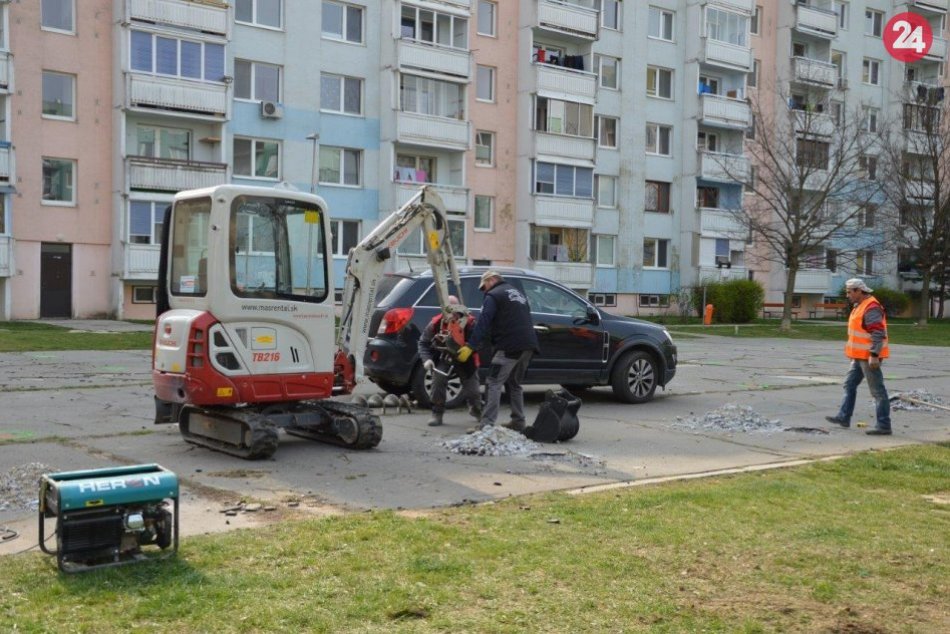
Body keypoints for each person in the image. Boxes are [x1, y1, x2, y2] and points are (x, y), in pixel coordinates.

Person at [457, 271, 540, 433]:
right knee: (514, 384)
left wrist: (471, 346)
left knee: (493, 382)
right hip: (528, 345)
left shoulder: (493, 295)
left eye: (484, 286)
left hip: (509, 347)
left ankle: (486, 425)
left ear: (492, 280)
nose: (484, 291)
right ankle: (518, 422)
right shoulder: (518, 294)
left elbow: (484, 321)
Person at [825, 278, 892, 435]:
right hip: (859, 356)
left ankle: (884, 425)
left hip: (869, 356)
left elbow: (878, 332)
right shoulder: (859, 305)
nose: (847, 295)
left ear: (859, 291)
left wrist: (874, 355)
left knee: (877, 391)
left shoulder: (871, 307)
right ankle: (844, 417)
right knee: (849, 385)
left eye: (849, 292)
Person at [417, 295, 482, 427]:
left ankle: (476, 409)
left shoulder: (470, 323)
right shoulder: (436, 323)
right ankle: (437, 413)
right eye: (448, 310)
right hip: (445, 357)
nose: (452, 314)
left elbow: (480, 341)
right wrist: (427, 360)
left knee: (473, 391)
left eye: (454, 310)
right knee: (438, 380)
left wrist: (469, 348)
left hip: (466, 359)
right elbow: (423, 342)